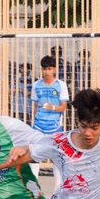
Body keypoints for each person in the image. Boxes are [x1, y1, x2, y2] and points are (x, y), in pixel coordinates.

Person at [31, 55, 70, 183]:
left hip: (55, 127)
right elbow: (36, 105)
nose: (47, 72)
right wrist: (35, 121)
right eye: (45, 69)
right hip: (38, 126)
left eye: (50, 69)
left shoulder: (61, 85)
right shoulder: (36, 85)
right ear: (41, 70)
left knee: (57, 158)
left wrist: (52, 107)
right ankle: (33, 189)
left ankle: (58, 190)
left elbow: (63, 107)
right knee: (34, 156)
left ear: (54, 69)